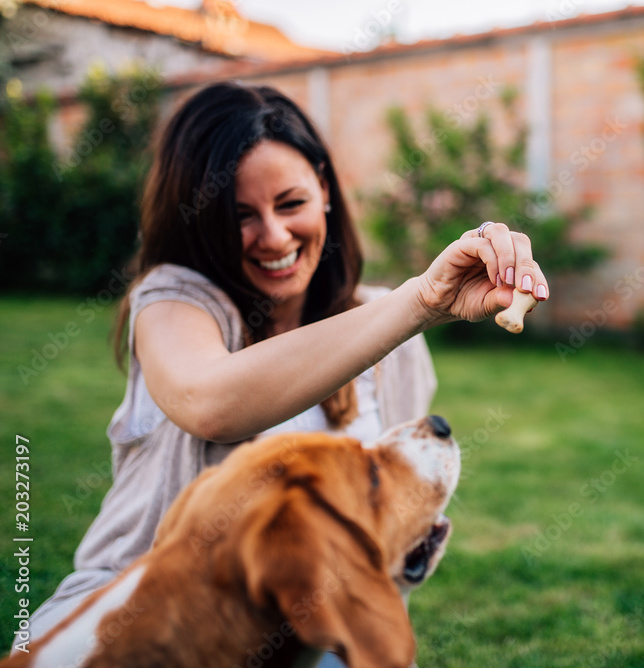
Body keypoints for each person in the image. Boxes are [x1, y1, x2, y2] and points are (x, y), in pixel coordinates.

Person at [24, 81, 548, 665]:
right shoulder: (173, 302)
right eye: (239, 215)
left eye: (291, 203)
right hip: (141, 628)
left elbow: (388, 530)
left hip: (298, 643)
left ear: (324, 189)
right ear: (197, 221)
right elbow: (209, 402)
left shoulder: (391, 338)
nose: (274, 237)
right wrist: (420, 303)